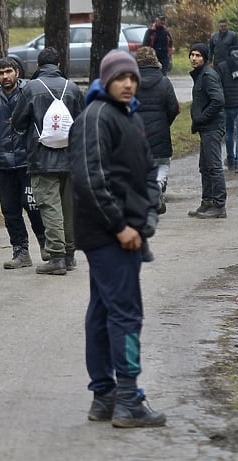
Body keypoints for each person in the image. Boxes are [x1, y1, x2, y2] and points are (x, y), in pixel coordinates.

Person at [69, 49, 166, 428]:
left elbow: (148, 168)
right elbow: (90, 180)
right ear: (105, 80)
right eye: (121, 78)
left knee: (104, 311)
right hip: (110, 236)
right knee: (125, 314)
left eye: (133, 78)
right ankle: (128, 399)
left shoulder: (130, 117)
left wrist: (150, 213)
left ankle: (104, 397)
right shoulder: (95, 117)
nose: (128, 84)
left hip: (128, 231)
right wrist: (121, 226)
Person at [11, 46, 84, 275]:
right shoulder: (72, 88)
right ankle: (70, 256)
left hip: (42, 158)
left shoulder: (31, 88)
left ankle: (56, 257)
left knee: (49, 206)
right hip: (70, 157)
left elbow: (18, 122)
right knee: (68, 206)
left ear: (38, 67)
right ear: (59, 65)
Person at [0, 58, 47, 268]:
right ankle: (20, 251)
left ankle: (47, 244)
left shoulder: (29, 91)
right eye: (0, 73)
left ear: (17, 72)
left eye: (8, 71)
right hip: (3, 162)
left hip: (27, 161)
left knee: (32, 204)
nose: (5, 76)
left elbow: (39, 120)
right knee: (9, 209)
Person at [134, 46, 180, 214]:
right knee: (162, 164)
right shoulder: (164, 82)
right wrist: (164, 122)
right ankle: (157, 184)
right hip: (160, 131)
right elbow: (173, 107)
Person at [187, 43, 227, 218]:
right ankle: (207, 201)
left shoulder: (208, 75)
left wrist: (202, 117)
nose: (194, 58)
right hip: (206, 127)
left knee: (214, 166)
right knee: (204, 166)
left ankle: (219, 205)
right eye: (192, 55)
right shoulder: (200, 75)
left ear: (204, 58)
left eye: (198, 55)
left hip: (212, 126)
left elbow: (218, 100)